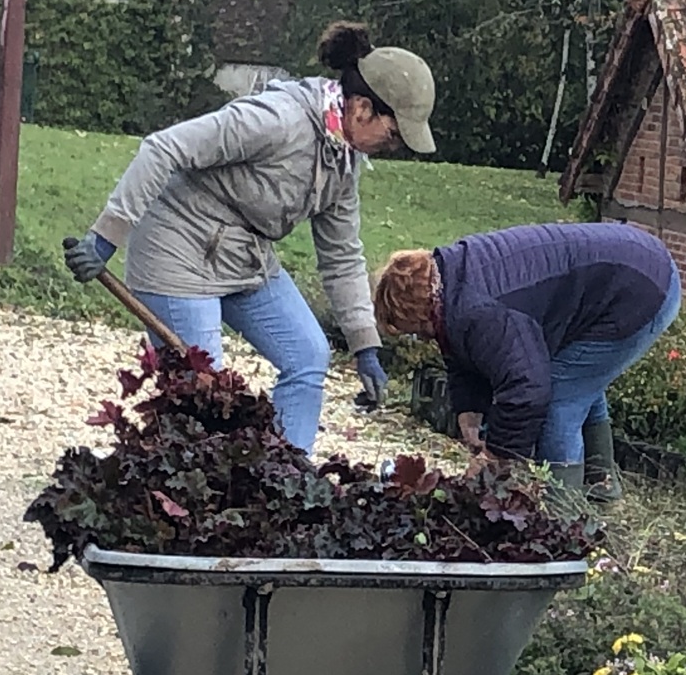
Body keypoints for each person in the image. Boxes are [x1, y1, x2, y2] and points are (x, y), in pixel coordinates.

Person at [62, 23, 436, 454]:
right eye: (392, 135)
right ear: (362, 108)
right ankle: (184, 503)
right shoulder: (278, 121)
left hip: (243, 257)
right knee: (203, 394)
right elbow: (164, 148)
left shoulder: (343, 160)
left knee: (308, 356)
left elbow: (342, 257)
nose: (391, 147)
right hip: (176, 251)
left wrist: (364, 344)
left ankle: (286, 481)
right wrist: (104, 239)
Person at [372, 223, 682, 500]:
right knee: (580, 377)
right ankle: (601, 485)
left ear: (420, 311)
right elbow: (456, 342)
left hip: (641, 288)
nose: (423, 339)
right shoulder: (449, 278)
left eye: (417, 331)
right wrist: (469, 411)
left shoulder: (481, 310)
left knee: (561, 398)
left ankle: (564, 513)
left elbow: (528, 390)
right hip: (634, 259)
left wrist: (495, 458)